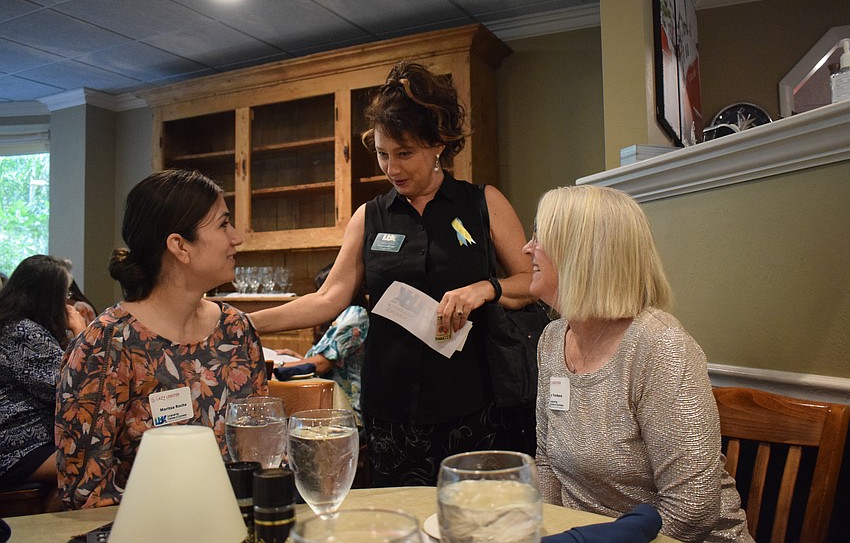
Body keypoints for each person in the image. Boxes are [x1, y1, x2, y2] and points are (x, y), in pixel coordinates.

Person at [250, 61, 534, 486]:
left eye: (405, 154)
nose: (392, 168)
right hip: (390, 410)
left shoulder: (482, 203)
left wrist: (484, 288)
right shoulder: (369, 217)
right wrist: (241, 321)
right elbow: (327, 300)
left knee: (473, 520)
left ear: (437, 144)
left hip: (473, 402)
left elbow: (531, 282)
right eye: (383, 154)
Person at [527, 185, 752, 542]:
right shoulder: (553, 339)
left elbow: (692, 507)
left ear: (581, 253)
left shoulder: (661, 347)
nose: (528, 248)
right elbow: (548, 463)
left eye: (540, 236)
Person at [55, 169, 268, 510]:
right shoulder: (106, 347)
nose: (237, 237)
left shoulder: (236, 330)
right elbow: (86, 493)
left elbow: (263, 449)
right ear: (179, 246)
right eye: (223, 224)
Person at [0, 255, 87, 511]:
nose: (68, 299)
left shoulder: (16, 325)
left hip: (26, 440)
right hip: (17, 444)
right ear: (47, 294)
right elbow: (69, 388)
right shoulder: (24, 332)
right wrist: (81, 333)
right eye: (65, 291)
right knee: (93, 465)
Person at [274, 263, 369, 422]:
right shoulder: (337, 316)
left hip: (347, 410)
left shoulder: (355, 314)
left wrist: (278, 366)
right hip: (325, 400)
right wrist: (296, 358)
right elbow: (331, 363)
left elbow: (321, 364)